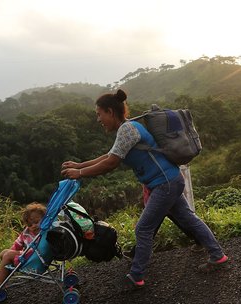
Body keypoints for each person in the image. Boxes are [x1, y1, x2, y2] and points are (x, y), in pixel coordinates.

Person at [60, 89, 227, 287]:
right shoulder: (128, 129)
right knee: (188, 219)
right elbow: (108, 156)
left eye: (99, 114)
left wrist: (79, 173)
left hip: (164, 183)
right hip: (170, 180)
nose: (98, 119)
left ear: (110, 112)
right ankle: (218, 256)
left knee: (143, 229)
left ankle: (136, 276)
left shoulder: (127, 130)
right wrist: (79, 166)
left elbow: (110, 163)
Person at [0, 202, 46, 293]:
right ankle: (4, 272)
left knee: (8, 255)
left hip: (35, 257)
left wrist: (14, 255)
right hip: (27, 255)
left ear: (44, 220)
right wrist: (13, 253)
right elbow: (17, 245)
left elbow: (39, 248)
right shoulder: (26, 232)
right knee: (4, 252)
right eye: (30, 224)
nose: (33, 226)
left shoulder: (43, 233)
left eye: (36, 222)